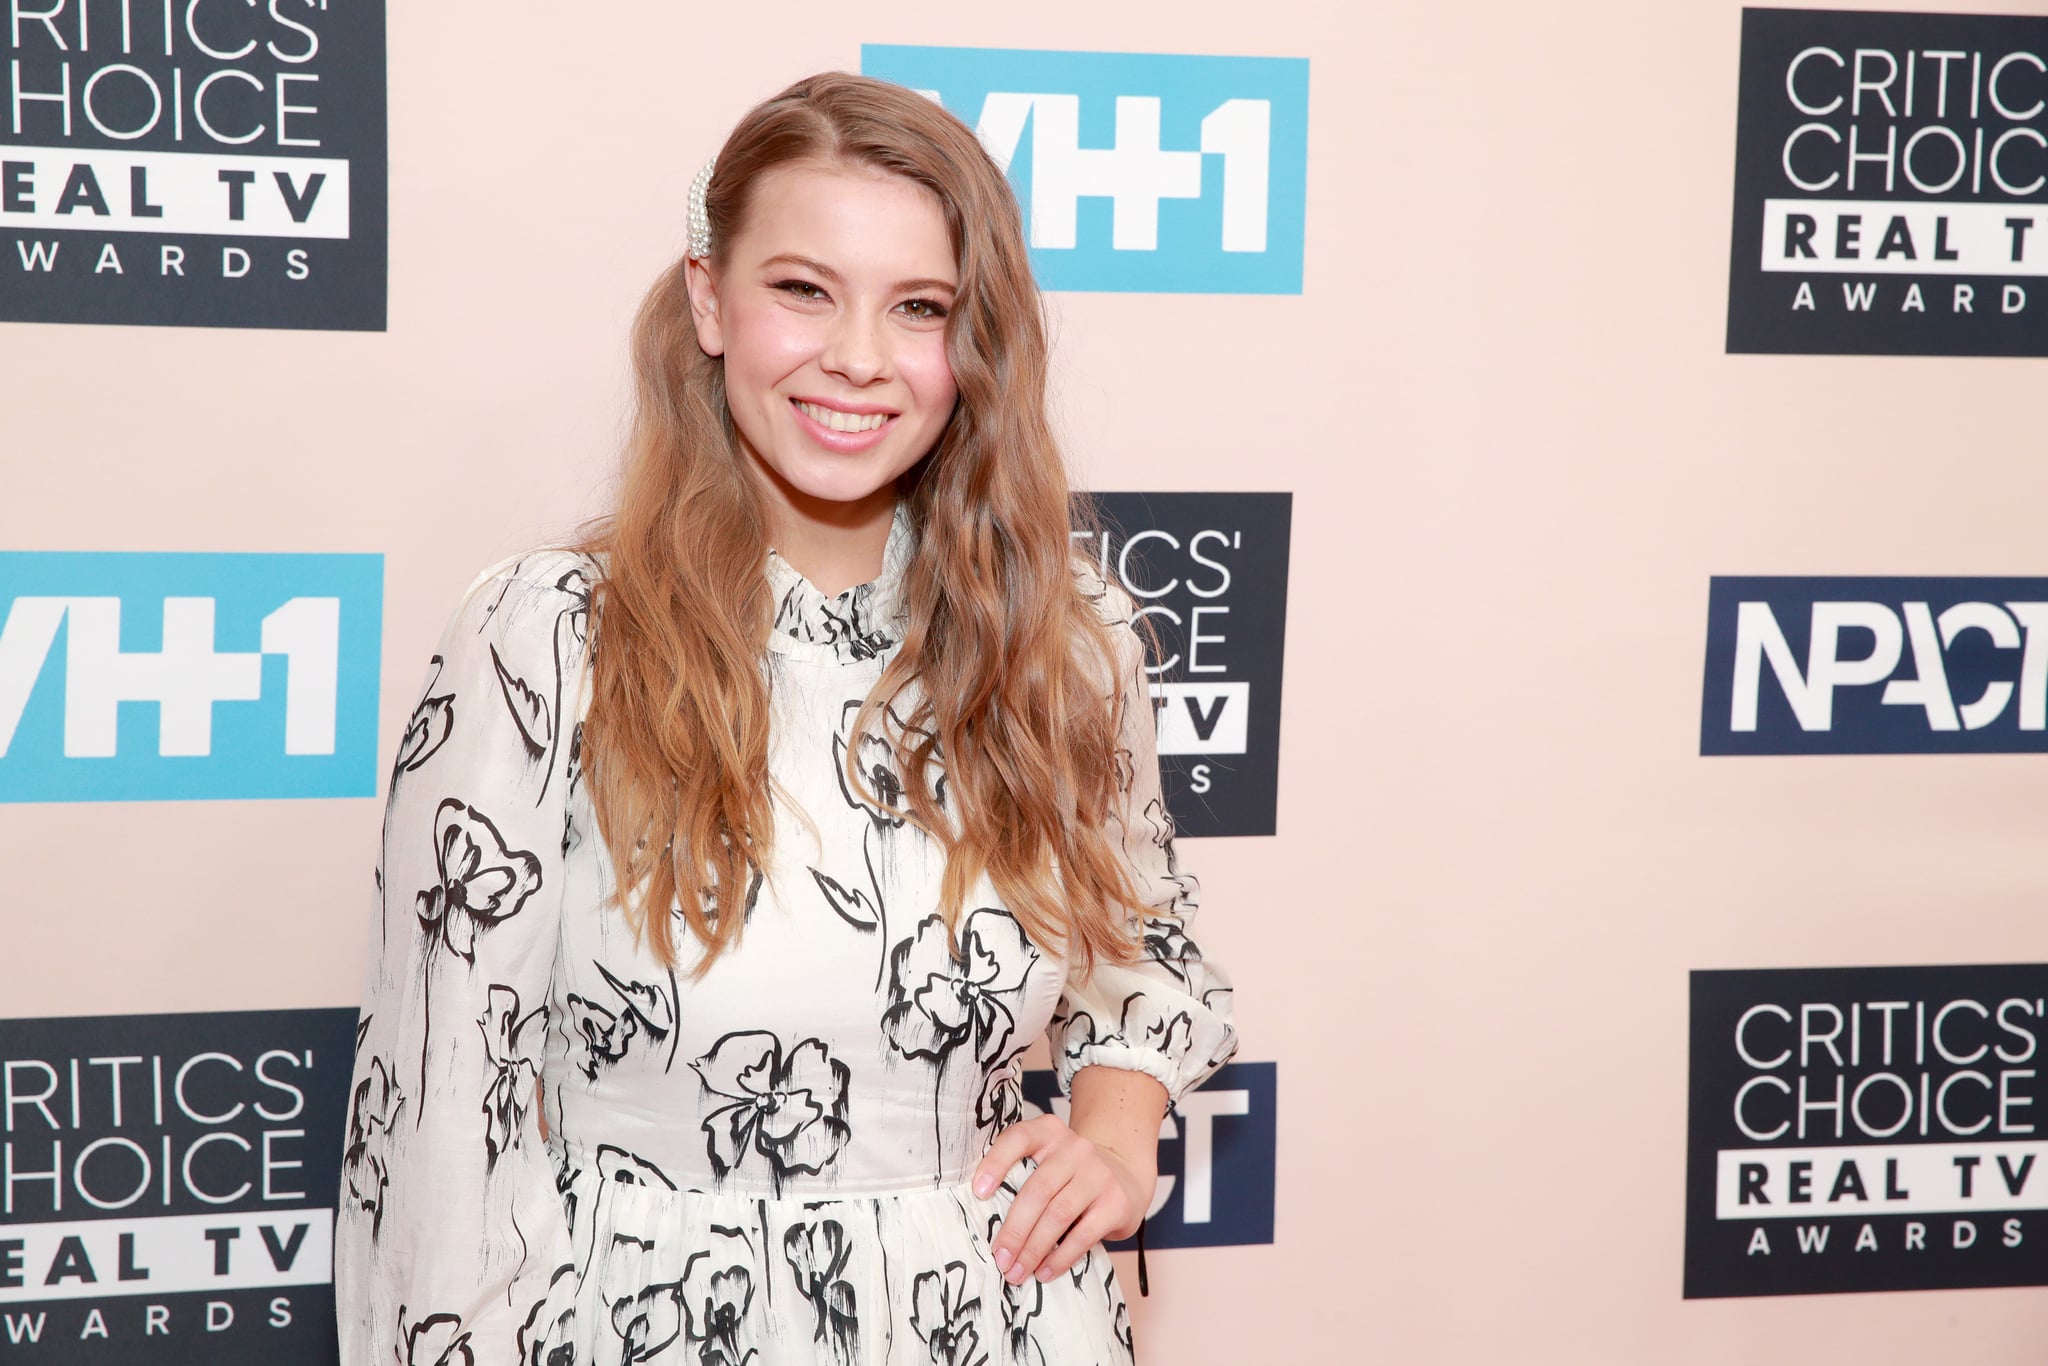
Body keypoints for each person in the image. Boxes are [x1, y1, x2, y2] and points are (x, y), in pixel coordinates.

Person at [335, 71, 1237, 1366]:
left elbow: (1145, 942)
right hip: (638, 1328)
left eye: (918, 307)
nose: (859, 357)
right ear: (709, 297)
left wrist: (1117, 1126)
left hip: (996, 1320)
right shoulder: (547, 639)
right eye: (803, 289)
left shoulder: (1065, 640)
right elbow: (433, 1123)